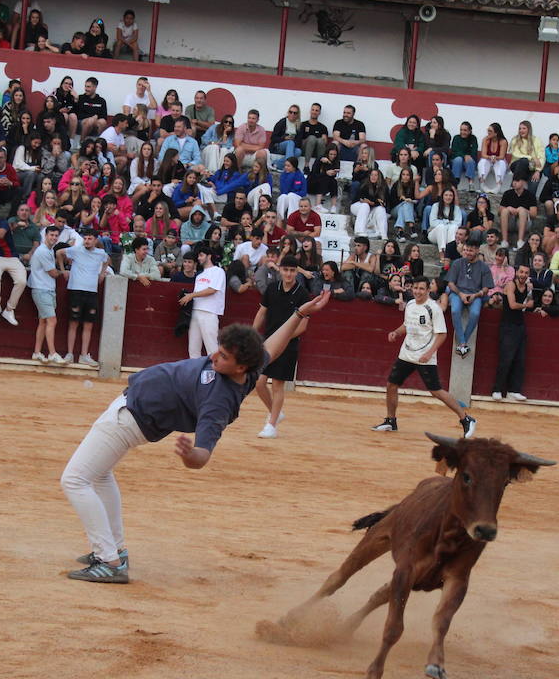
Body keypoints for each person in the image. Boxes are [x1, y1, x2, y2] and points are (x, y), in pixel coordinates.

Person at [61, 288, 332, 583]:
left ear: (240, 366)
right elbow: (272, 347)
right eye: (219, 348)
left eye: (223, 356)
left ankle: (109, 561)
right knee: (99, 476)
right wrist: (300, 313)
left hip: (130, 418)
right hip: (133, 410)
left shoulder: (219, 400)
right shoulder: (249, 369)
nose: (213, 355)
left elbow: (203, 454)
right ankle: (115, 550)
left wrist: (191, 457)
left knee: (75, 480)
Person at [372, 276, 477, 438]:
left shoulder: (433, 308)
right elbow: (407, 325)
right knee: (391, 384)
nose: (417, 291)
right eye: (415, 288)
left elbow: (442, 334)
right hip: (407, 353)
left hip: (425, 356)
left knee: (436, 391)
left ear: (428, 290)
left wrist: (429, 354)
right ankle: (390, 421)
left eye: (421, 288)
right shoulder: (411, 305)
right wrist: (396, 332)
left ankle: (466, 419)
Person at [251, 254, 310, 438]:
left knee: (277, 384)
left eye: (292, 271)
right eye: (286, 270)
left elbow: (303, 325)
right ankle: (276, 413)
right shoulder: (272, 289)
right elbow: (262, 313)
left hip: (288, 345)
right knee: (259, 382)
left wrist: (283, 337)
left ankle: (271, 425)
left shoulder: (302, 294)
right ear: (280, 270)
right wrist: (252, 334)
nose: (289, 274)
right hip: (268, 342)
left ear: (296, 272)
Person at [58, 227, 110, 367]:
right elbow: (59, 252)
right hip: (76, 290)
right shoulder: (76, 250)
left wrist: (102, 273)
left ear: (95, 240)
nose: (87, 241)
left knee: (88, 324)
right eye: (85, 238)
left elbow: (107, 260)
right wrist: (64, 271)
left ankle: (83, 355)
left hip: (91, 292)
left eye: (90, 239)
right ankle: (70, 354)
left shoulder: (100, 253)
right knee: (73, 323)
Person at [443, 233, 490, 355]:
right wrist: (461, 294)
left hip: (475, 295)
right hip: (458, 293)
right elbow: (450, 284)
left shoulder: (484, 267)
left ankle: (463, 341)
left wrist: (475, 295)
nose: (468, 253)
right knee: (455, 310)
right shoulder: (458, 263)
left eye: (471, 250)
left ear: (477, 250)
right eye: (467, 250)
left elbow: (486, 288)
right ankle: (463, 343)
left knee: (475, 313)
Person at [491, 264, 533, 401]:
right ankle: (497, 389)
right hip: (508, 326)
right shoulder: (510, 285)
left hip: (519, 325)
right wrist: (526, 306)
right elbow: (512, 305)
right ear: (516, 272)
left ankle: (513, 390)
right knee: (506, 359)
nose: (523, 275)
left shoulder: (527, 287)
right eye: (521, 272)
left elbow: (530, 300)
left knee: (519, 359)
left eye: (526, 272)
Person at [29, 224, 65, 364]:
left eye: (56, 236)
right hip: (42, 289)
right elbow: (53, 273)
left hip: (45, 289)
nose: (54, 238)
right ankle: (52, 353)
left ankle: (37, 352)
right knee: (52, 321)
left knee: (44, 322)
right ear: (46, 235)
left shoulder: (48, 250)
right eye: (52, 235)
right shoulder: (43, 251)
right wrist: (63, 272)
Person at [182, 246, 226, 358]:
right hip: (195, 311)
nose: (199, 258)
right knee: (193, 348)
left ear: (209, 256)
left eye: (201, 255)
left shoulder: (218, 271)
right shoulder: (199, 275)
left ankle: (216, 375)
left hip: (209, 312)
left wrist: (191, 295)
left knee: (212, 348)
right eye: (198, 256)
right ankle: (195, 375)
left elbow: (212, 290)